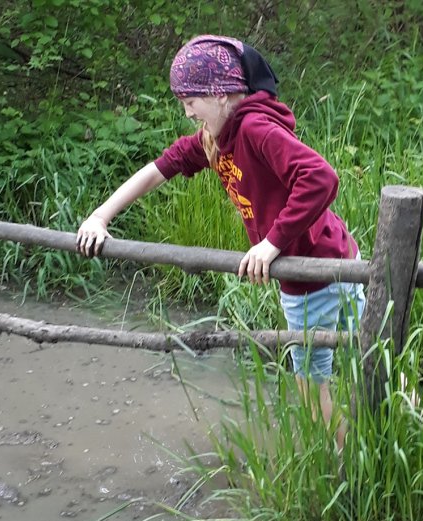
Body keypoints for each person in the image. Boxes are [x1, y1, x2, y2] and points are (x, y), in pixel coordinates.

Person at [76, 35, 364, 446]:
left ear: (222, 93)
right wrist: (101, 216)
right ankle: (394, 442)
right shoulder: (216, 138)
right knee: (374, 357)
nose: (186, 109)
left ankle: (349, 462)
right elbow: (160, 168)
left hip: (312, 274)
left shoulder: (254, 128)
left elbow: (321, 178)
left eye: (191, 99)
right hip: (338, 255)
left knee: (312, 382)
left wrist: (271, 242)